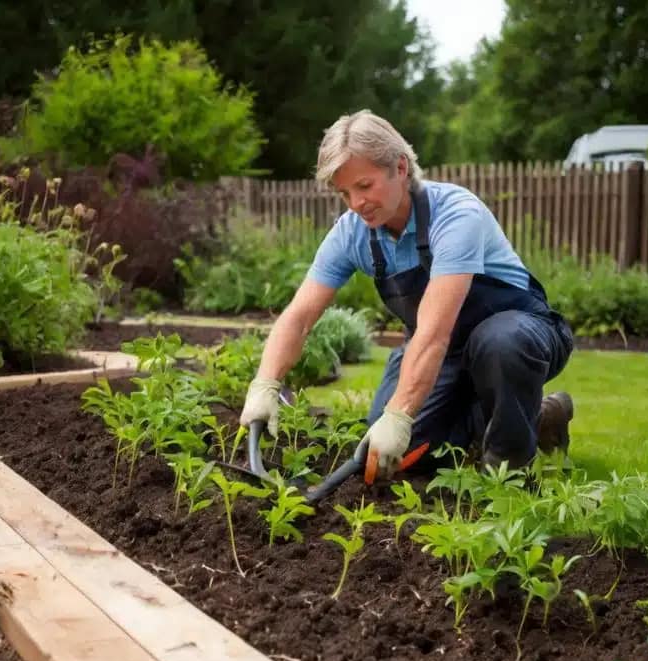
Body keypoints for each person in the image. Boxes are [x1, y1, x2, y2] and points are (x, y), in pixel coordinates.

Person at [239, 110, 574, 478]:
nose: (355, 203)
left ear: (400, 168)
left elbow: (433, 332)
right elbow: (299, 317)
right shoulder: (352, 232)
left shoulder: (456, 215)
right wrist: (265, 383)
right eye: (344, 193)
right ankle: (537, 417)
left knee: (498, 343)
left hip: (519, 335)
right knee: (394, 455)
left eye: (364, 186)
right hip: (445, 353)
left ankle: (509, 471)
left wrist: (400, 413)